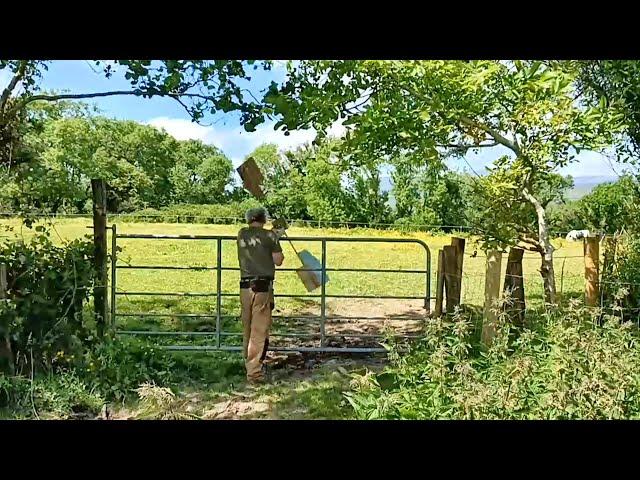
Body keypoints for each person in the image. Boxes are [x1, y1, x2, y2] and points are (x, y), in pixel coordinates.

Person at [237, 207, 285, 383]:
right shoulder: (269, 237)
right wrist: (276, 237)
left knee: (248, 327)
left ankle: (248, 364)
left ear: (249, 219)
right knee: (259, 330)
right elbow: (278, 260)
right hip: (263, 288)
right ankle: (254, 373)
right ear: (264, 219)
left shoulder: (242, 233)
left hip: (244, 287)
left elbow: (258, 240)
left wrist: (272, 235)